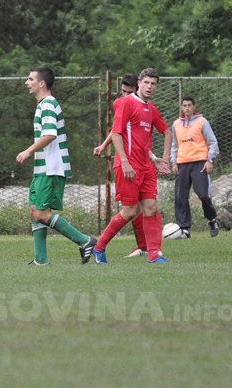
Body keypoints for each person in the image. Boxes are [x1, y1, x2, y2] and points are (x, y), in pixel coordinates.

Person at [16, 65, 97, 265]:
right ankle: (40, 260)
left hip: (51, 168)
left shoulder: (48, 104)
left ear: (41, 83)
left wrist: (28, 151)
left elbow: (50, 134)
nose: (27, 83)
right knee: (35, 211)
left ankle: (85, 241)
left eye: (30, 79)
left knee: (42, 214)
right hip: (43, 168)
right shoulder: (43, 104)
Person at [92, 68, 172, 264]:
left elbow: (167, 132)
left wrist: (163, 160)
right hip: (127, 167)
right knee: (128, 212)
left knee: (151, 208)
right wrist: (125, 161)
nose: (150, 87)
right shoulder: (126, 103)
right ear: (139, 83)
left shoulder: (150, 108)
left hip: (146, 167)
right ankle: (98, 247)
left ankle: (154, 255)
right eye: (147, 83)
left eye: (153, 84)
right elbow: (117, 133)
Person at [170, 96, 220, 238]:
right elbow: (174, 145)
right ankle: (184, 228)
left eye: (189, 105)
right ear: (181, 107)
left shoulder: (202, 122)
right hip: (182, 164)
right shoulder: (176, 124)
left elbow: (212, 142)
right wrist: (174, 162)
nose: (187, 108)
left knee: (203, 194)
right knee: (181, 197)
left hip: (199, 162)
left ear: (194, 107)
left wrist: (209, 160)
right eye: (184, 105)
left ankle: (212, 219)